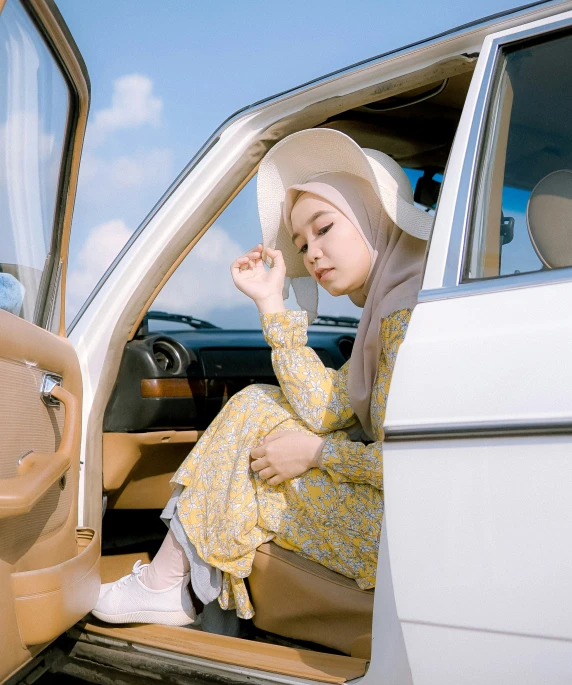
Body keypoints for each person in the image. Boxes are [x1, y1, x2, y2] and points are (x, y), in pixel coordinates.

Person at [92, 128, 433, 633]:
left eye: (323, 229)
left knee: (252, 428)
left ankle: (170, 585)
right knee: (258, 405)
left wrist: (315, 454)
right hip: (406, 518)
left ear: (374, 217)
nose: (311, 253)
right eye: (300, 243)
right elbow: (324, 409)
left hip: (408, 530)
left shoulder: (406, 318)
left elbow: (419, 460)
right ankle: (176, 585)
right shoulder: (393, 304)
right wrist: (271, 300)